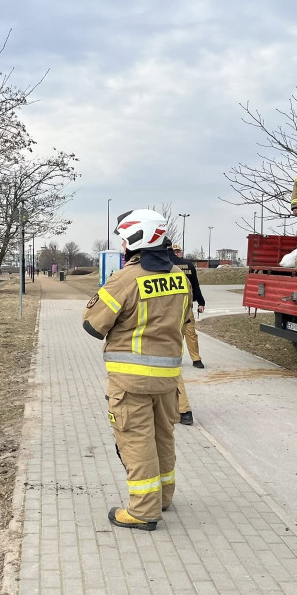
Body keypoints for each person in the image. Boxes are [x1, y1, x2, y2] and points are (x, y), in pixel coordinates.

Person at [83, 209, 192, 531]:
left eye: (123, 238)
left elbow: (92, 324)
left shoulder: (126, 278)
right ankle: (163, 496)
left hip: (131, 381)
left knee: (136, 441)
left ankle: (144, 510)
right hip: (169, 380)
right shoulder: (179, 276)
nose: (121, 243)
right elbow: (185, 320)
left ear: (135, 238)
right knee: (163, 438)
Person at [169, 242, 206, 370]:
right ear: (180, 252)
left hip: (171, 308)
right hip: (187, 306)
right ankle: (196, 359)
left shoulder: (167, 266)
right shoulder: (189, 265)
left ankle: (175, 358)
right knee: (191, 333)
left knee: (174, 334)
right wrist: (201, 302)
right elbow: (195, 285)